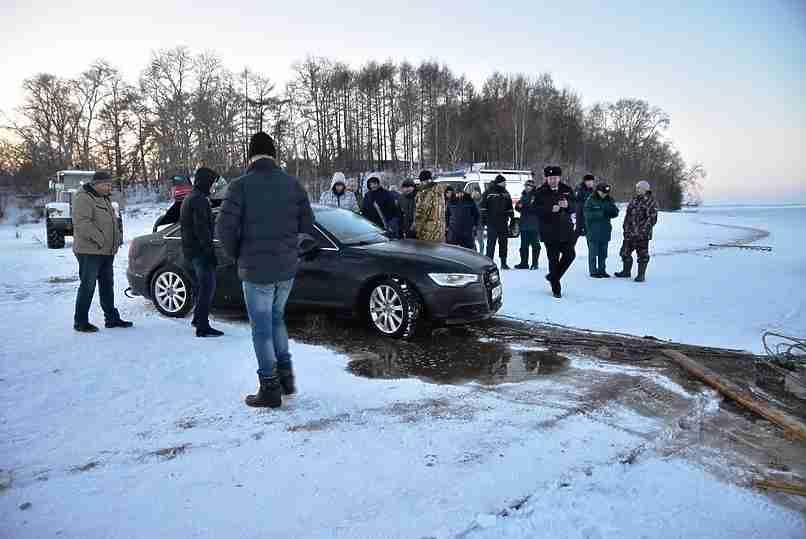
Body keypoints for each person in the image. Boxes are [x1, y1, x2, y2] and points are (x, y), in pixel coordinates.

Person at [216, 132, 314, 408]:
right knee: (276, 319)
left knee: (261, 328)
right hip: (286, 269)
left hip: (256, 270)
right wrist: (291, 250)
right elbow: (308, 225)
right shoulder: (293, 184)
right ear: (274, 154)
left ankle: (270, 388)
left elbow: (224, 229)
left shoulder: (240, 186)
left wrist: (238, 255)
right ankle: (286, 379)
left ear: (251, 156)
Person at [72, 171, 132, 332]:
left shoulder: (103, 198)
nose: (109, 187)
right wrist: (101, 240)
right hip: (89, 251)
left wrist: (117, 238)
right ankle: (80, 321)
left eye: (110, 184)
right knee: (88, 286)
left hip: (105, 251)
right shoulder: (83, 197)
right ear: (96, 184)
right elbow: (82, 223)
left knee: (107, 285)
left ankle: (111, 318)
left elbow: (112, 222)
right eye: (106, 184)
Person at [180, 167, 223, 337]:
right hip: (199, 253)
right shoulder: (199, 200)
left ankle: (198, 319)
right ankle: (202, 327)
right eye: (212, 183)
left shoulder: (191, 197)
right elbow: (201, 229)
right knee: (207, 289)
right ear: (204, 182)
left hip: (190, 252)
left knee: (200, 288)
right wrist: (209, 252)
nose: (213, 187)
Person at [535, 166, 576, 298]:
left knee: (570, 255)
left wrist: (568, 205)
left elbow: (575, 206)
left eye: (556, 178)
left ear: (559, 178)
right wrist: (549, 209)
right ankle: (556, 288)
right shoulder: (540, 191)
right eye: (550, 178)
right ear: (546, 178)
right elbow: (534, 209)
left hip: (566, 230)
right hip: (549, 231)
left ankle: (553, 276)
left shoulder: (567, 190)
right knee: (553, 259)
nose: (553, 180)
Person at [615, 180, 659, 282]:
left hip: (642, 235)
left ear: (645, 189)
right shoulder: (634, 200)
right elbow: (628, 216)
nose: (637, 190)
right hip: (630, 233)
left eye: (639, 188)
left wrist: (643, 231)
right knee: (624, 252)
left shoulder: (651, 201)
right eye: (637, 188)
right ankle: (626, 272)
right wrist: (625, 228)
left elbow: (652, 219)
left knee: (642, 255)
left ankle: (641, 275)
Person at [583, 183, 620, 278]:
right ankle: (593, 271)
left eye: (606, 193)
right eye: (603, 192)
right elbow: (587, 215)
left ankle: (602, 270)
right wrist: (601, 213)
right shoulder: (590, 200)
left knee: (603, 253)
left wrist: (613, 212)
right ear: (598, 191)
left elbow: (615, 212)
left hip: (605, 231)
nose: (604, 194)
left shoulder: (609, 200)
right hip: (593, 231)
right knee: (593, 253)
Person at [481, 175, 514, 269]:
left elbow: (510, 207)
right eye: (504, 183)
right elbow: (483, 207)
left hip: (503, 222)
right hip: (492, 222)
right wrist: (484, 219)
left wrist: (512, 218)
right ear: (499, 182)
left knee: (503, 243)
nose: (505, 184)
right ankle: (488, 263)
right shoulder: (488, 192)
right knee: (491, 244)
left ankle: (504, 263)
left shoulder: (506, 193)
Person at [514, 178, 541, 269]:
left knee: (535, 245)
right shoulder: (523, 195)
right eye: (526, 186)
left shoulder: (536, 196)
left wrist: (523, 206)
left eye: (529, 186)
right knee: (523, 246)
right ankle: (524, 263)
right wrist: (519, 206)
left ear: (532, 187)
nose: (527, 188)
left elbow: (534, 208)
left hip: (534, 225)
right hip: (524, 224)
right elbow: (517, 206)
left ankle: (535, 263)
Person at [414, 170, 447, 242]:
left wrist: (417, 229)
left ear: (424, 181)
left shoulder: (427, 193)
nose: (421, 183)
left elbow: (422, 212)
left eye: (422, 181)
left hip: (428, 233)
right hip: (439, 231)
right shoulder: (439, 192)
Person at [574, 174, 596, 238]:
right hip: (580, 215)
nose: (590, 183)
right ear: (585, 182)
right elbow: (578, 203)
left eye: (591, 181)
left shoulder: (592, 190)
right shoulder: (580, 189)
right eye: (588, 181)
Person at [471, 188, 485, 254]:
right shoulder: (471, 201)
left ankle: (481, 253)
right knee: (472, 240)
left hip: (480, 224)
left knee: (480, 240)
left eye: (476, 192)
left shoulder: (482, 202)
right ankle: (475, 252)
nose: (475, 193)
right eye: (474, 192)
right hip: (472, 224)